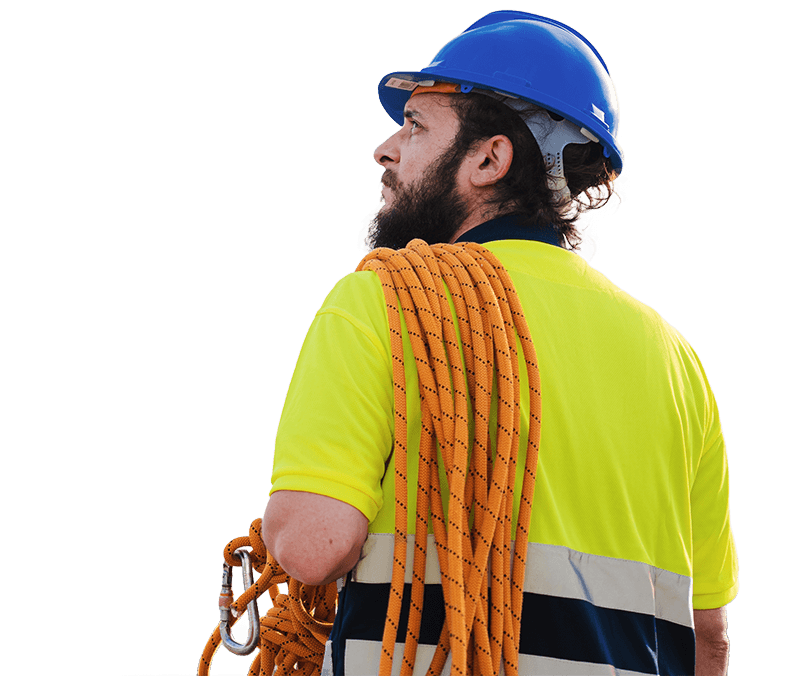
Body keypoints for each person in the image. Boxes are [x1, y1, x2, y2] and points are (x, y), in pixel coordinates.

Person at [260, 10, 739, 676]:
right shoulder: (677, 361)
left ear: (491, 158)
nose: (386, 149)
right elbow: (706, 635)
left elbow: (312, 547)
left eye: (416, 126)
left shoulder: (382, 301)